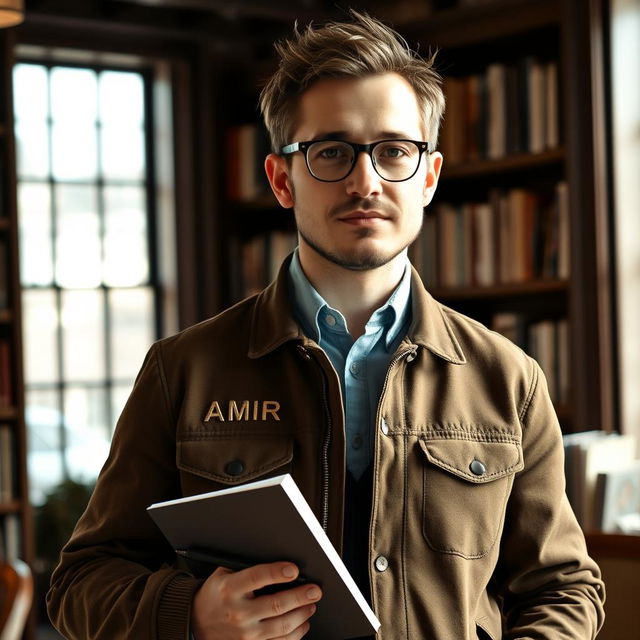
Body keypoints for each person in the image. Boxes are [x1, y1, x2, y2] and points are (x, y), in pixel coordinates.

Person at [47, 10, 605, 640]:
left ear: (428, 176)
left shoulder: (510, 379)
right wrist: (194, 614)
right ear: (282, 178)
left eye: (394, 150)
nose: (366, 181)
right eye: (331, 152)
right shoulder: (183, 371)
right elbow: (82, 583)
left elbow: (562, 589)